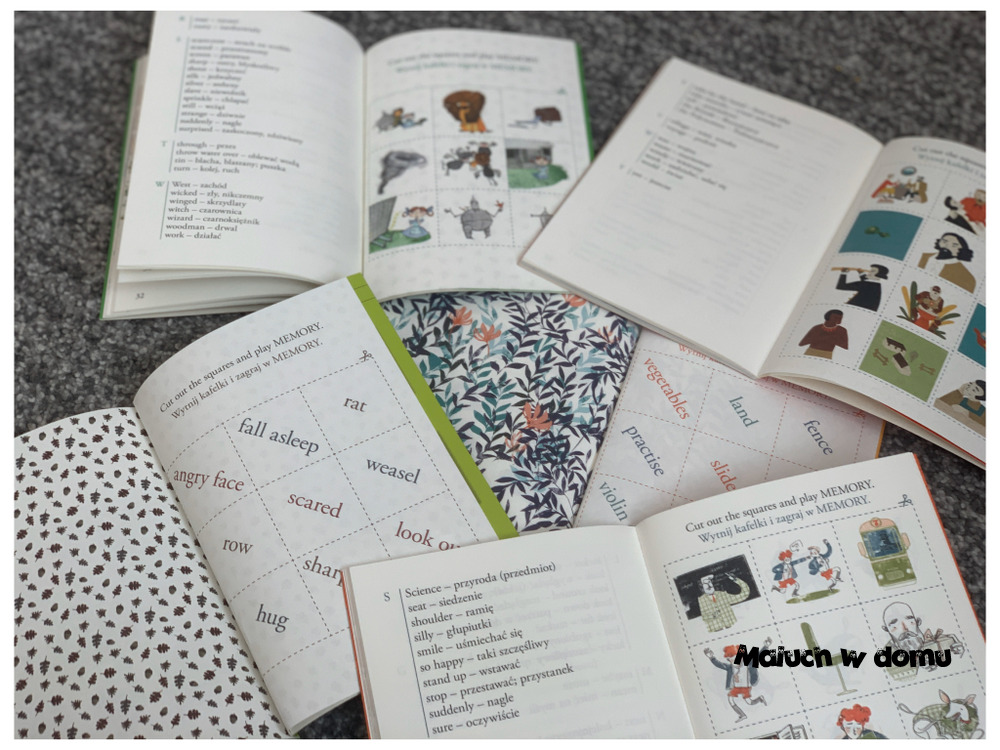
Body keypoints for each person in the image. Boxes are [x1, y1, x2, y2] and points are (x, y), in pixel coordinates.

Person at [705, 639, 771, 722]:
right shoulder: (730, 667)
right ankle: (742, 715)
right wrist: (711, 657)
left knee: (749, 702)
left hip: (745, 687)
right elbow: (719, 664)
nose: (734, 661)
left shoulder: (747, 664)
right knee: (730, 700)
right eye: (731, 660)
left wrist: (765, 646)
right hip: (736, 687)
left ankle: (760, 699)